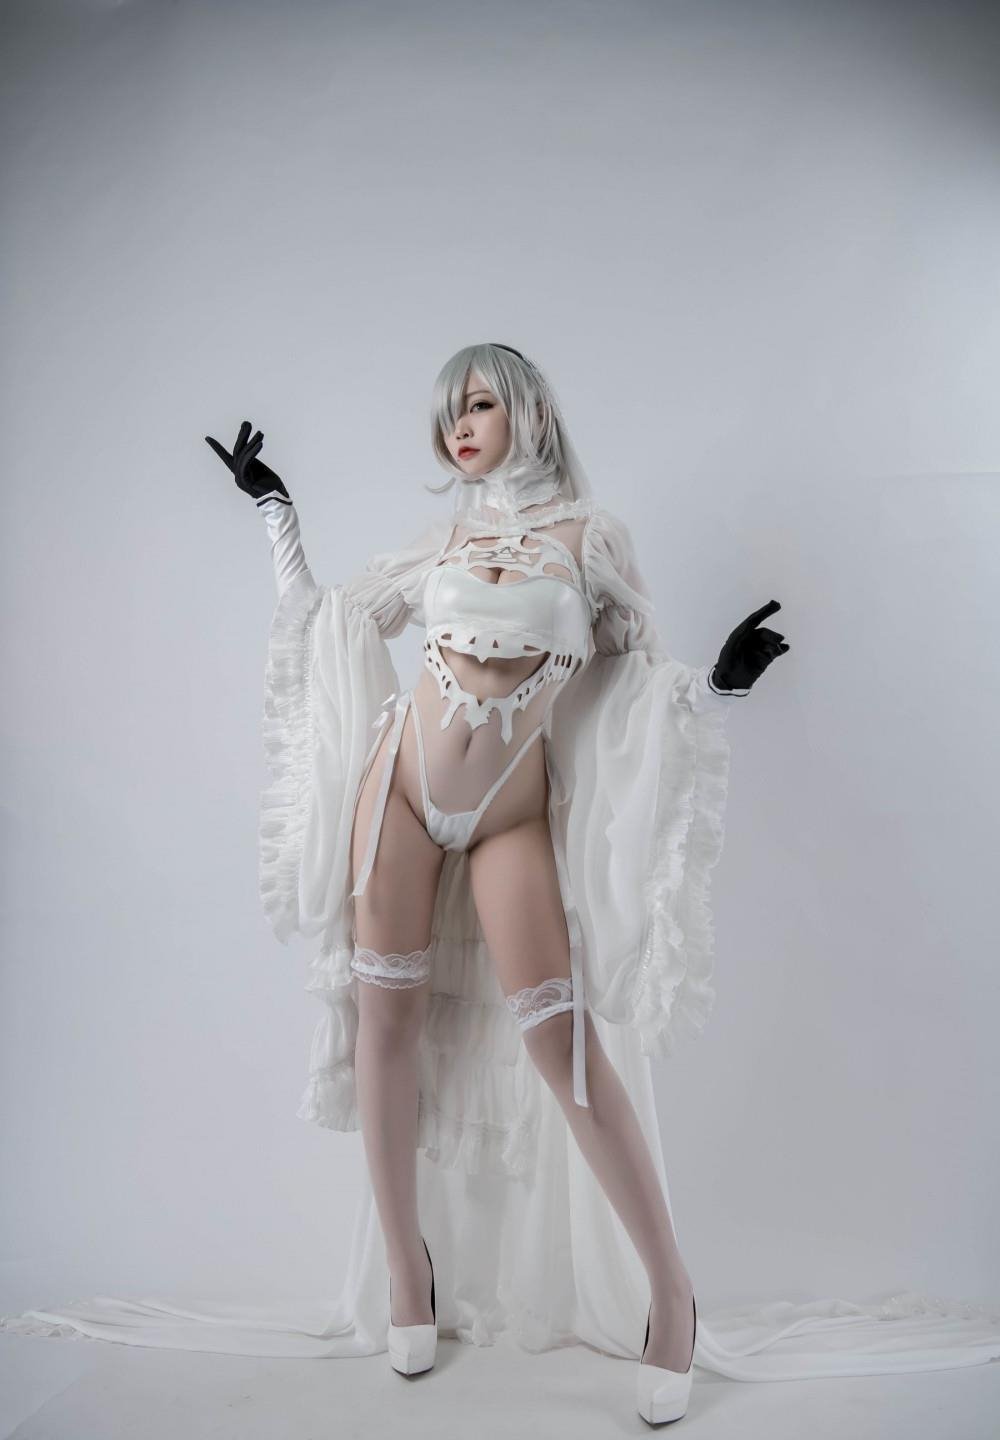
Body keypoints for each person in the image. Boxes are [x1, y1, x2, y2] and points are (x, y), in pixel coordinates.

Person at [4, 347, 997, 1423]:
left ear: (528, 411)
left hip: (508, 816)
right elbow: (330, 623)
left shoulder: (591, 540)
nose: (460, 427)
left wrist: (717, 688)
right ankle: (408, 1273)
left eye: (478, 404)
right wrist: (276, 512)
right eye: (448, 414)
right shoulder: (442, 543)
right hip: (398, 793)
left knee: (563, 1052)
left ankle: (671, 1295)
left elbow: (634, 687)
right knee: (384, 1027)